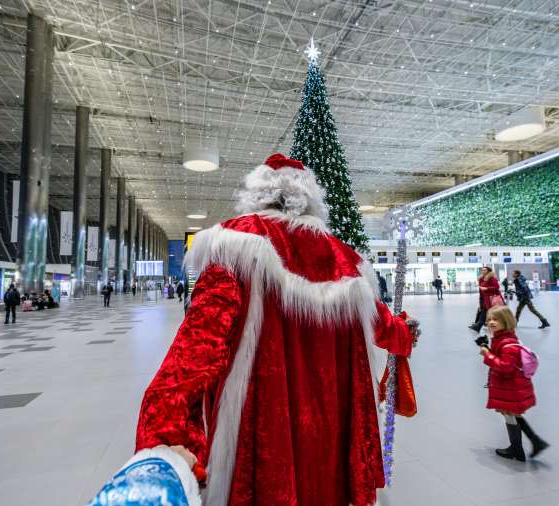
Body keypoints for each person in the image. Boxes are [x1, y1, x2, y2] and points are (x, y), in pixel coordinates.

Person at [134, 154, 418, 505]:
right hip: (332, 441)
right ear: (312, 200)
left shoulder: (234, 245)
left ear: (257, 194)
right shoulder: (345, 260)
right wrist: (404, 333)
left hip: (268, 437)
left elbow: (196, 349)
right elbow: (384, 326)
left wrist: (162, 434)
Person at [478, 305, 549, 461]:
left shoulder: (507, 343)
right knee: (510, 414)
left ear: (506, 321)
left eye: (495, 319)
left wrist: (487, 355)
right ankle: (532, 442)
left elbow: (506, 367)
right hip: (510, 386)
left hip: (511, 386)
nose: (491, 322)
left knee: (510, 414)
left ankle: (517, 449)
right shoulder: (502, 338)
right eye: (489, 319)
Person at [469, 266, 501, 332]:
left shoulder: (492, 278)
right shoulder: (482, 279)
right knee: (482, 312)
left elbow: (497, 287)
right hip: (484, 298)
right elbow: (481, 290)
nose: (483, 271)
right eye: (482, 270)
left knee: (487, 313)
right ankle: (477, 326)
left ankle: (478, 326)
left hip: (490, 299)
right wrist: (481, 299)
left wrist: (487, 288)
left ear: (488, 271)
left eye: (484, 270)